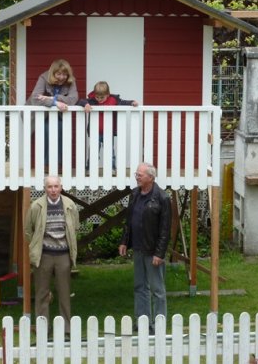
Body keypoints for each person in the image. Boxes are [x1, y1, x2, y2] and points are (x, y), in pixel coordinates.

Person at [118, 162, 171, 334]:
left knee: (157, 289)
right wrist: (125, 241)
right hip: (138, 249)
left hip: (153, 251)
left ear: (151, 177)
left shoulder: (162, 198)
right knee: (140, 286)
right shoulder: (135, 194)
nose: (137, 177)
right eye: (136, 174)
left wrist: (159, 253)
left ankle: (159, 324)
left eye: (140, 174)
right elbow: (129, 221)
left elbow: (165, 229)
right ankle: (142, 320)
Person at [24, 175, 80, 335]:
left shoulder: (70, 205)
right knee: (42, 292)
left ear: (61, 187)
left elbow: (74, 227)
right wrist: (37, 245)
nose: (53, 190)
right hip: (44, 255)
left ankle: (67, 328)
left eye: (56, 186)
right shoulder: (36, 206)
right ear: (45, 188)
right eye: (50, 187)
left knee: (64, 292)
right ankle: (43, 327)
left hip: (63, 255)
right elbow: (29, 231)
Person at [26, 59, 79, 165]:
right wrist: (55, 103)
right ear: (53, 73)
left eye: (65, 74)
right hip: (41, 115)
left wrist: (52, 98)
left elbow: (73, 99)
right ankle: (46, 164)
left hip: (60, 115)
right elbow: (35, 98)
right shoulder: (44, 77)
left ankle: (59, 164)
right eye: (59, 74)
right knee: (46, 131)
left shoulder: (71, 80)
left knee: (62, 131)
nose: (62, 77)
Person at [78, 81, 138, 172]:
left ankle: (112, 169)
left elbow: (123, 102)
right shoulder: (92, 100)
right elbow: (80, 101)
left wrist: (132, 102)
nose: (99, 99)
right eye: (97, 97)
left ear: (108, 94)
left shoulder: (113, 100)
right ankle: (89, 169)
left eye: (102, 97)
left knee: (110, 152)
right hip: (95, 132)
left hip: (108, 132)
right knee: (93, 152)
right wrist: (86, 104)